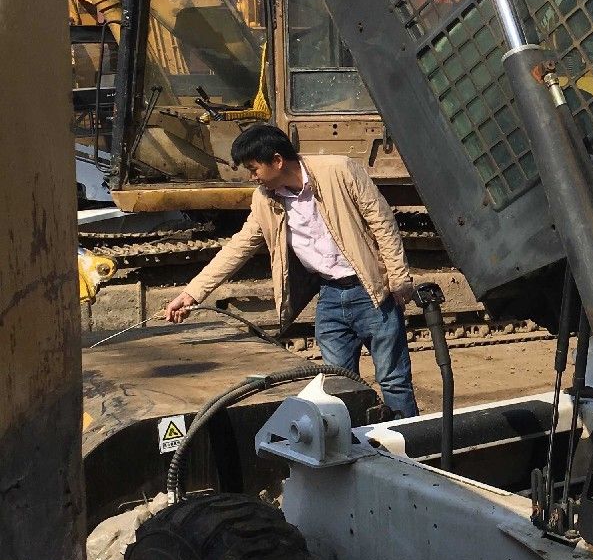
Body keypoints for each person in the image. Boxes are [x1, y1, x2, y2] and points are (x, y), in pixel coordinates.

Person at [161, 123, 419, 418]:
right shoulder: (265, 199)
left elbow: (383, 223)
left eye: (254, 168)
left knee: (393, 381)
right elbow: (238, 247)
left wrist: (398, 279)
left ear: (277, 160)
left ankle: (409, 442)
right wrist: (192, 294)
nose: (252, 177)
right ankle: (352, 443)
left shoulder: (340, 170)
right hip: (330, 297)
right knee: (338, 387)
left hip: (372, 293)